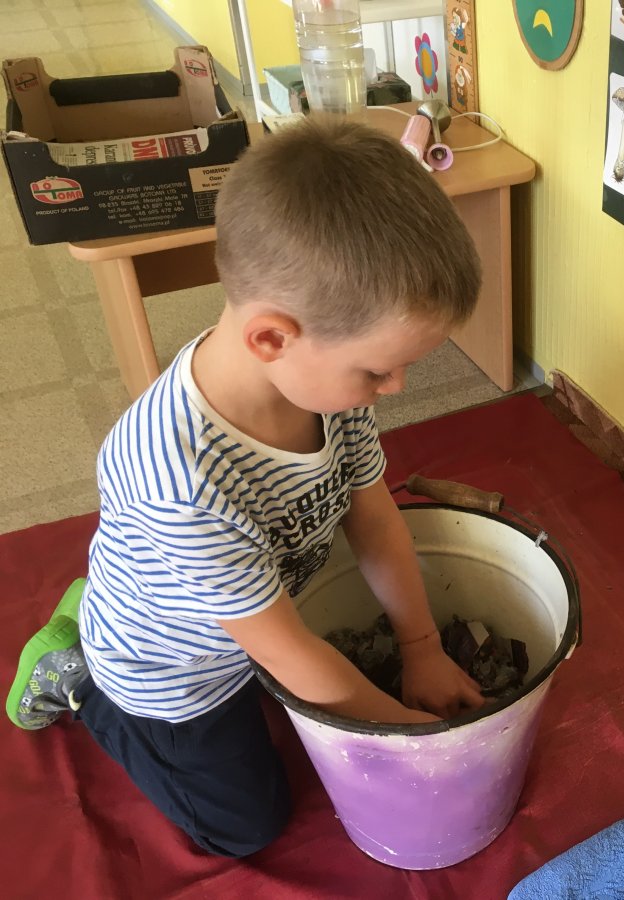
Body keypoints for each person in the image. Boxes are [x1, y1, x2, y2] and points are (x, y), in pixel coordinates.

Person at [5, 116, 486, 858]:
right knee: (244, 828)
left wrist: (421, 645)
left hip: (252, 616)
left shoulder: (326, 389)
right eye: (377, 369)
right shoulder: (179, 479)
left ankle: (105, 611)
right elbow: (286, 650)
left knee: (321, 675)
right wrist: (405, 735)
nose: (394, 387)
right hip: (171, 673)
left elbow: (373, 516)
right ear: (271, 338)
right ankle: (81, 678)